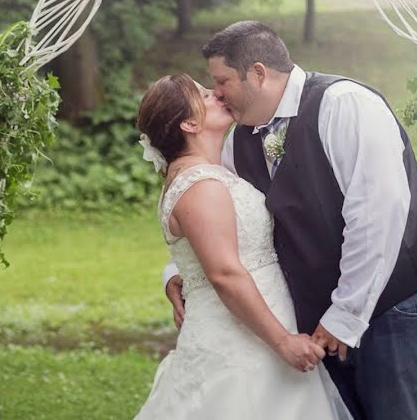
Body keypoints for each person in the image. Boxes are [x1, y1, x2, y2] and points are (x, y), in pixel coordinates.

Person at [163, 21, 417, 420]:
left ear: (257, 73)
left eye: (221, 81)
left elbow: (377, 216)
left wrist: (345, 315)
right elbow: (214, 217)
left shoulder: (346, 104)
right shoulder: (238, 141)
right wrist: (178, 270)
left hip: (399, 307)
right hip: (321, 324)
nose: (215, 94)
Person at [134, 74, 351, 420]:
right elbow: (224, 273)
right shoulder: (200, 185)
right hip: (241, 341)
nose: (217, 94)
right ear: (189, 123)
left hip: (256, 323)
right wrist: (282, 341)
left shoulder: (205, 175)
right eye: (204, 95)